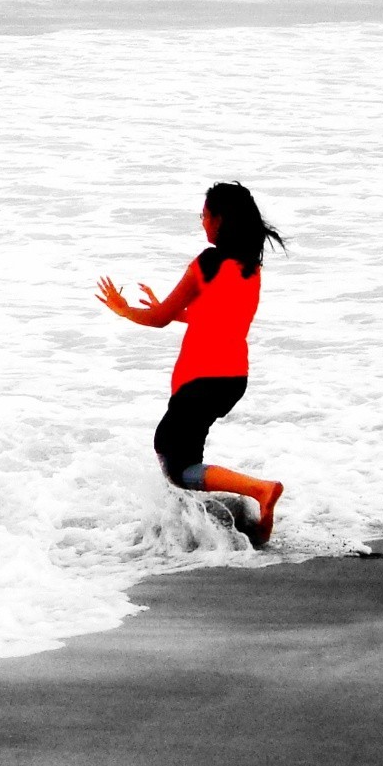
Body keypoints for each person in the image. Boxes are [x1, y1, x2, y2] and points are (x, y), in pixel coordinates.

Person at [95, 182, 286, 546]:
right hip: (232, 379)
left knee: (174, 460)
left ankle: (260, 491)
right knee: (184, 457)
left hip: (202, 378)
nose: (202, 222)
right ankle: (209, 530)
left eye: (205, 215)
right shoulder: (250, 267)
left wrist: (124, 310)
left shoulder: (207, 263)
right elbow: (213, 316)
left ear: (219, 219)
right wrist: (161, 307)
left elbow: (160, 319)